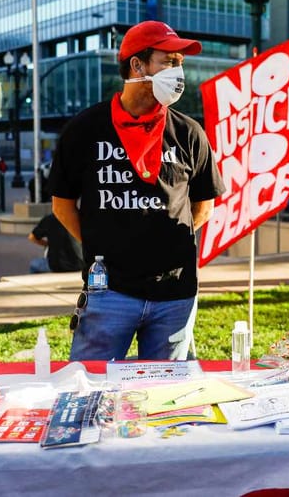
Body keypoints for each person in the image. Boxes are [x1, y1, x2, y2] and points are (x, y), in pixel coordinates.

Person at [48, 20, 225, 362]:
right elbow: (62, 205)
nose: (178, 73)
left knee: (166, 391)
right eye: (169, 62)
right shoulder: (84, 130)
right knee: (91, 384)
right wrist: (103, 242)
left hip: (175, 294)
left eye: (180, 64)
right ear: (137, 65)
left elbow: (204, 206)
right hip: (108, 293)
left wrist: (163, 245)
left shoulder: (189, 132)